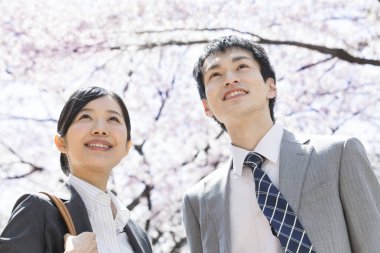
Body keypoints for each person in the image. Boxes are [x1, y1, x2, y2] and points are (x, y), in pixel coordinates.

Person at [182, 35, 380, 253]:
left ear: (271, 87)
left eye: (241, 66)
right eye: (216, 74)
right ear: (206, 106)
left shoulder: (338, 155)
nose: (229, 79)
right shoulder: (197, 201)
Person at [0, 86, 152, 253]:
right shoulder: (38, 210)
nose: (100, 129)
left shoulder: (139, 236)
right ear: (61, 142)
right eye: (85, 116)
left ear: (127, 146)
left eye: (113, 119)